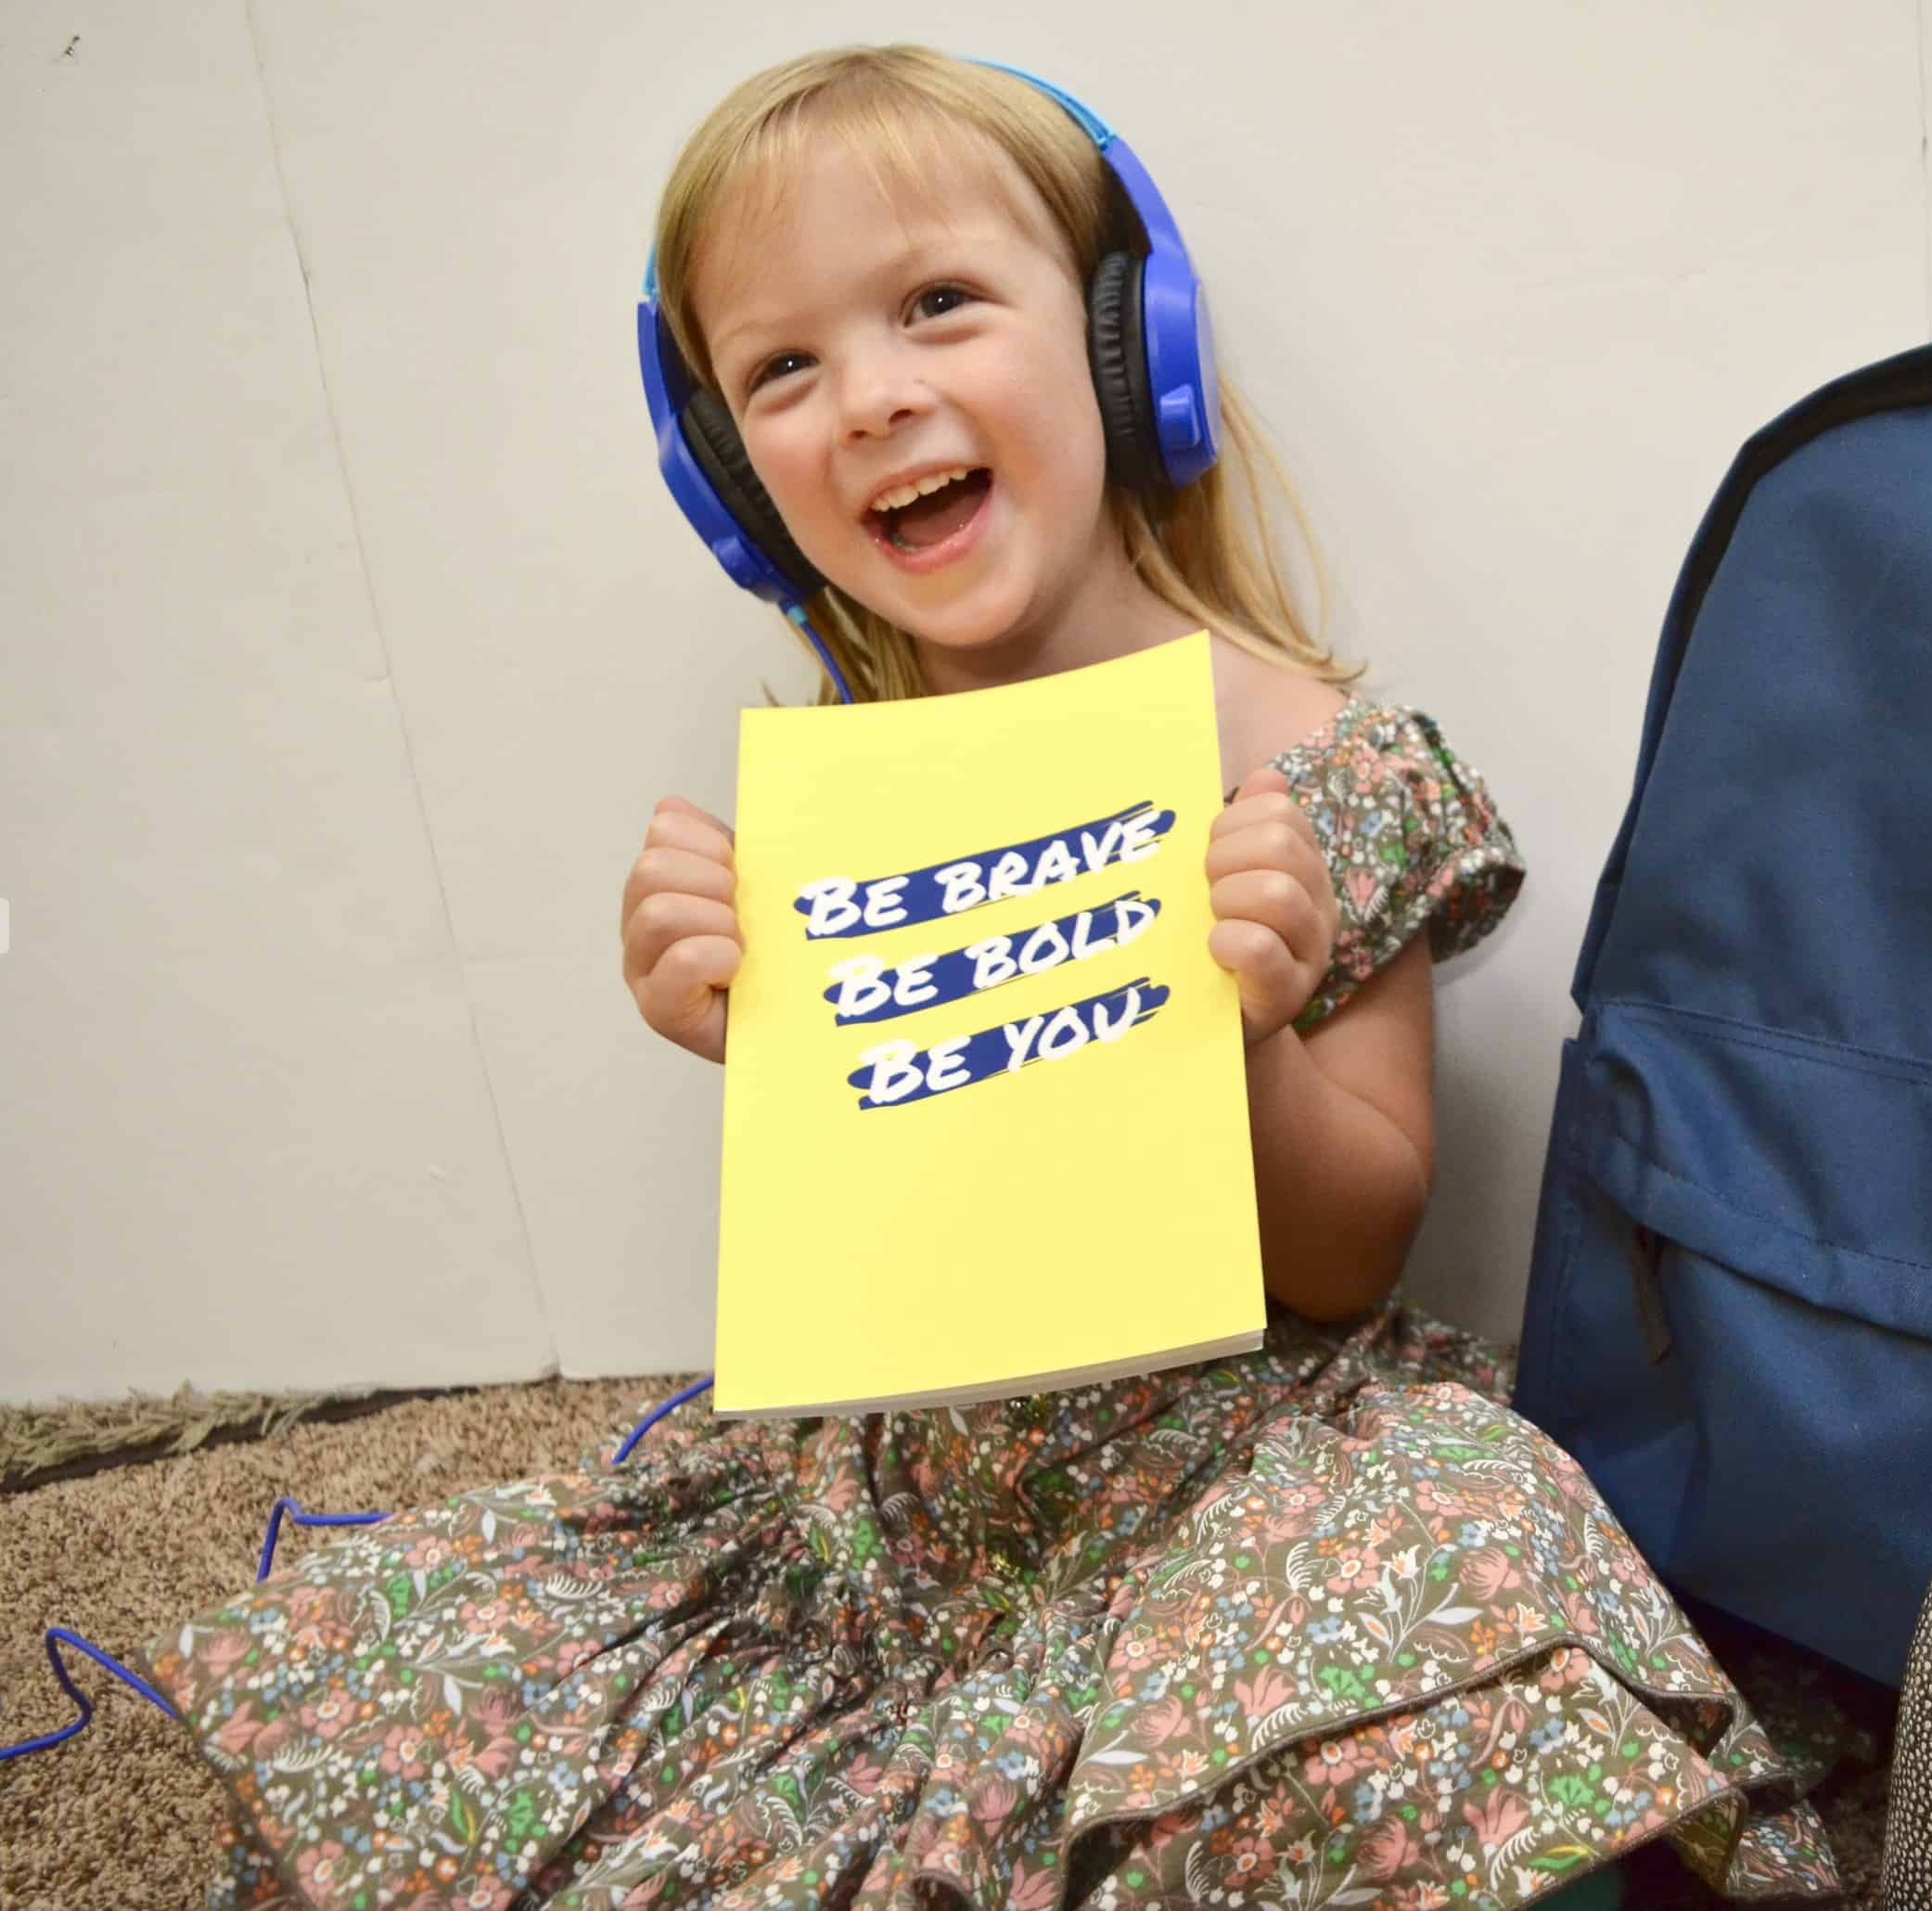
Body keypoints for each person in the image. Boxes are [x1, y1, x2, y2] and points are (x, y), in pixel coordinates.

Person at [144, 45, 1846, 1908]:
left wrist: (1246, 1030)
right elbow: (892, 1206)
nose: (871, 398)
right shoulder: (836, 805)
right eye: (779, 371)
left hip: (1238, 1478)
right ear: (731, 475)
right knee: (420, 1694)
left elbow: (1356, 1252)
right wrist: (742, 1021)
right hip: (899, 1527)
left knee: (1468, 1600)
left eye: (939, 305)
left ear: (1130, 350)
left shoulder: (1314, 764)